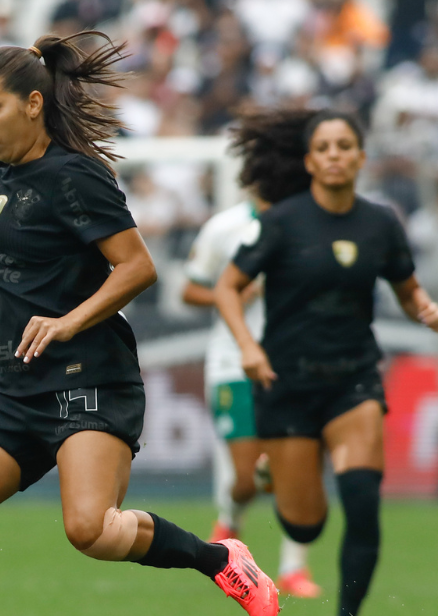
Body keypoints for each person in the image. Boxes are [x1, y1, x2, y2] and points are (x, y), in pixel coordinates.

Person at [0, 31, 279, 616]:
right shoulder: (16, 173)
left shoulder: (77, 176)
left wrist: (69, 321)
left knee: (90, 531)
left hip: (88, 378)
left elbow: (138, 267)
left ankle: (219, 560)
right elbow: (15, 188)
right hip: (18, 385)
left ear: (34, 104)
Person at [215, 109, 438, 616]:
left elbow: (406, 288)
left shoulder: (381, 222)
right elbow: (227, 287)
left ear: (361, 158)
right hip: (287, 384)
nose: (335, 155)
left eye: (345, 146)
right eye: (324, 148)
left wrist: (424, 307)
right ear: (310, 161)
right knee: (306, 525)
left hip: (354, 380)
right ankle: (273, 471)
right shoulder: (280, 222)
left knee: (363, 503)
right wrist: (248, 348)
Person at [182, 107, 321, 598]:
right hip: (233, 363)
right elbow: (191, 291)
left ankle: (293, 569)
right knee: (247, 478)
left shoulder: (311, 225)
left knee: (295, 471)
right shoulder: (226, 228)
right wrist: (235, 294)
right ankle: (230, 520)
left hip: (294, 364)